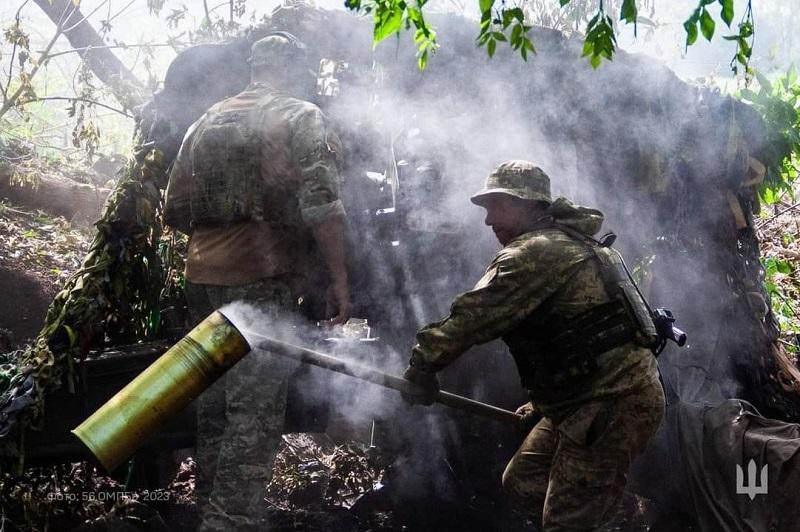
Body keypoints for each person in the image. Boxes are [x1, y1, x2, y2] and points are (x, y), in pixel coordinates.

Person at [402, 160, 665, 531]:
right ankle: (596, 508)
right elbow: (577, 340)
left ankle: (594, 512)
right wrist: (544, 404)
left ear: (529, 205)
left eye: (498, 206)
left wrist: (421, 369)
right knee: (524, 484)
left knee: (567, 523)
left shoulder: (533, 252)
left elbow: (470, 320)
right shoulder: (564, 242)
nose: (488, 220)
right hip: (584, 397)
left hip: (613, 400)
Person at [163, 33, 350, 531]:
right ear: (294, 68)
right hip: (260, 280)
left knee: (216, 408)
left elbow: (175, 209)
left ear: (254, 68)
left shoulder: (205, 122)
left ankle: (211, 514)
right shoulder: (300, 116)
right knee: (254, 411)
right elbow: (324, 208)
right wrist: (339, 281)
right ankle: (232, 523)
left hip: (202, 278)